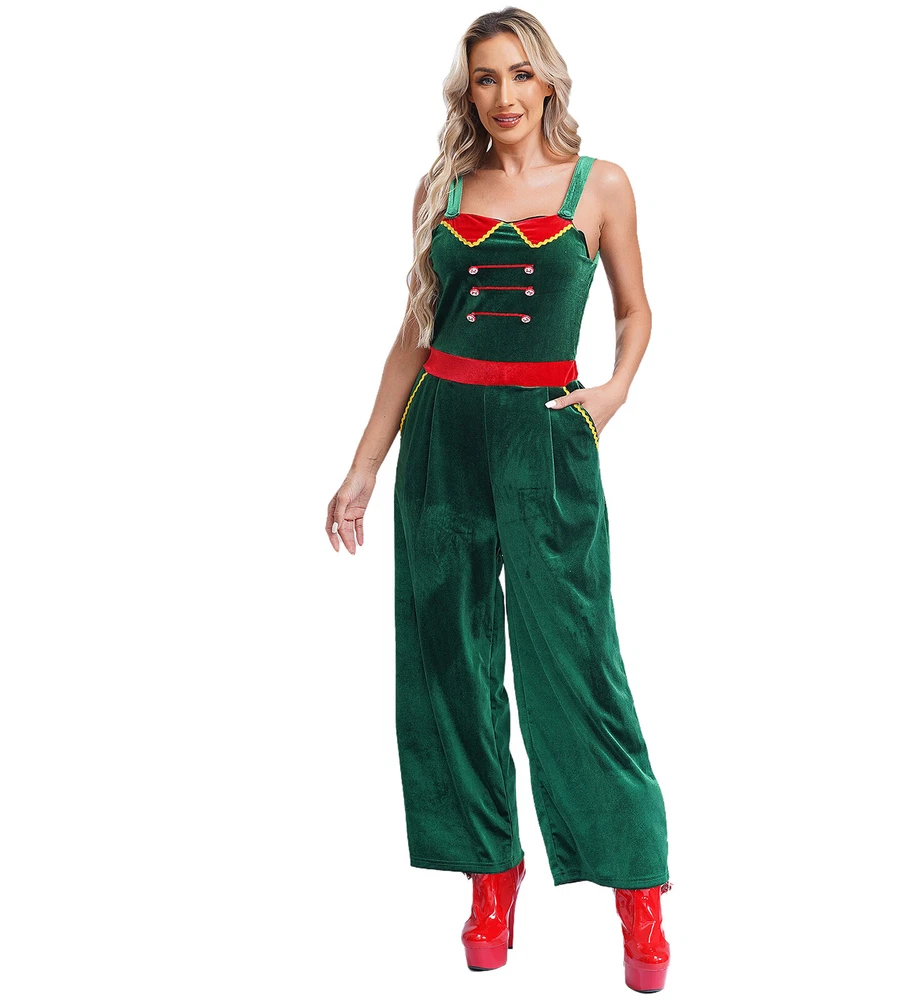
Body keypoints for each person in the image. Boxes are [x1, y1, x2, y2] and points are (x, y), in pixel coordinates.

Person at [326, 7, 672, 993]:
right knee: (450, 658)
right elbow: (413, 335)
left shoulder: (601, 184)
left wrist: (613, 391)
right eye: (485, 78)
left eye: (520, 74)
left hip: (546, 435)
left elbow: (637, 308)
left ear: (548, 81)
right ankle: (489, 869)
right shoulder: (444, 186)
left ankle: (637, 885)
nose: (505, 95)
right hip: (442, 433)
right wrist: (364, 465)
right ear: (467, 91)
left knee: (576, 660)